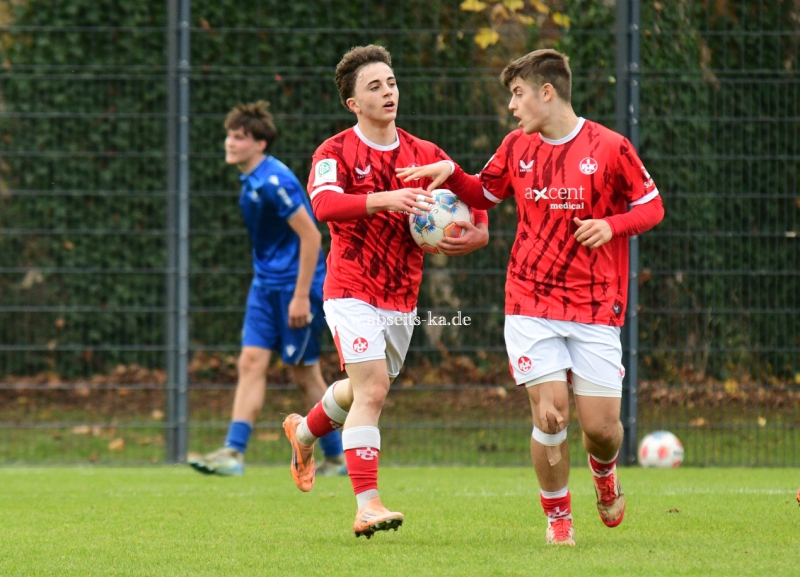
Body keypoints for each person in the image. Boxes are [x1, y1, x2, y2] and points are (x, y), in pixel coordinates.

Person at [397, 49, 664, 546]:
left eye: (518, 94)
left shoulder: (610, 147)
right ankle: (558, 517)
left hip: (595, 304)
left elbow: (652, 207)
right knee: (550, 412)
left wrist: (612, 225)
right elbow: (483, 194)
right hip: (530, 299)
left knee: (602, 429)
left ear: (547, 92)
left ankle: (604, 472)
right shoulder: (516, 146)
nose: (512, 106)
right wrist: (450, 173)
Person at [281, 45, 490, 539]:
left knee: (362, 389)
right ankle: (367, 505)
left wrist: (476, 236)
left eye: (391, 83)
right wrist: (386, 199)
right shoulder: (333, 152)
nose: (388, 92)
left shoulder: (426, 154)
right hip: (350, 288)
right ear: (353, 103)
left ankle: (303, 431)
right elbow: (325, 206)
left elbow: (475, 206)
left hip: (401, 295)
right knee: (373, 389)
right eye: (374, 87)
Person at [188, 101, 346, 477]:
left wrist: (300, 296)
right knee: (250, 362)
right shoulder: (251, 179)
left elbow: (312, 238)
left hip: (296, 288)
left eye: (239, 137)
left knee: (304, 373)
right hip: (264, 287)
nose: (230, 143)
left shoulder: (276, 182)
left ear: (260, 144)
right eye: (229, 135)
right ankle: (233, 453)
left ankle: (337, 457)